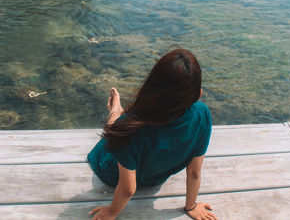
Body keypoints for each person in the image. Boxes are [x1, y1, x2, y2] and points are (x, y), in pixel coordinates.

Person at [87, 49, 217, 220]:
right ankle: (117, 111)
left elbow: (128, 189)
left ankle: (115, 110)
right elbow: (194, 172)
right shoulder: (202, 114)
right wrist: (191, 207)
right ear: (197, 93)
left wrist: (111, 212)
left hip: (112, 174)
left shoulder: (133, 129)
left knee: (117, 129)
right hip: (155, 176)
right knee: (124, 127)